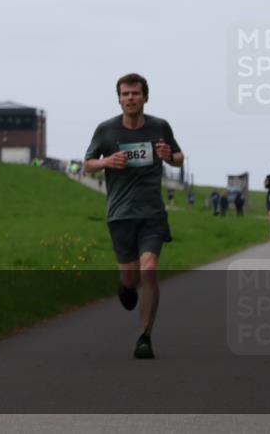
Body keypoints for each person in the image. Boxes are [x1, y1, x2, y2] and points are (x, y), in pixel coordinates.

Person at [84, 73, 183, 360]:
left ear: (145, 97)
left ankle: (144, 337)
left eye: (135, 93)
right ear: (119, 99)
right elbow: (88, 164)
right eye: (125, 94)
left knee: (149, 269)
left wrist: (168, 156)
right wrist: (106, 161)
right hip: (120, 214)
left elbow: (179, 157)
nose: (130, 98)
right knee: (131, 278)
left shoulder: (160, 127)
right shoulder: (106, 130)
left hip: (152, 213)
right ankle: (126, 286)